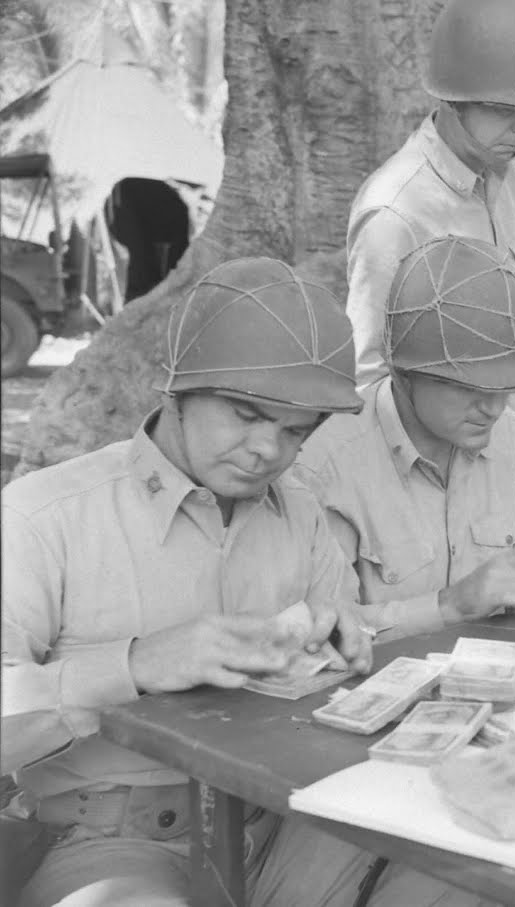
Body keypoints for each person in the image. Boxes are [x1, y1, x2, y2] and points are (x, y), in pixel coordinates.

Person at [251, 235, 515, 907]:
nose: (493, 405)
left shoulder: (500, 431)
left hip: (495, 733)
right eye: (469, 386)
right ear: (403, 372)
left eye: (506, 386)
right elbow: (309, 644)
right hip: (341, 759)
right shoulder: (323, 462)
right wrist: (451, 604)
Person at [1, 258, 372, 907]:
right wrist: (137, 665)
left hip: (284, 822)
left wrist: (339, 653)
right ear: (176, 386)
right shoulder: (42, 516)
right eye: (245, 412)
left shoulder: (303, 515)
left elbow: (336, 662)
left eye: (295, 430)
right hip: (110, 843)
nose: (268, 449)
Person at [346, 0, 515, 414]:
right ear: (452, 98)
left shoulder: (501, 176)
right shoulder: (395, 212)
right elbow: (371, 384)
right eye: (505, 109)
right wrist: (510, 400)